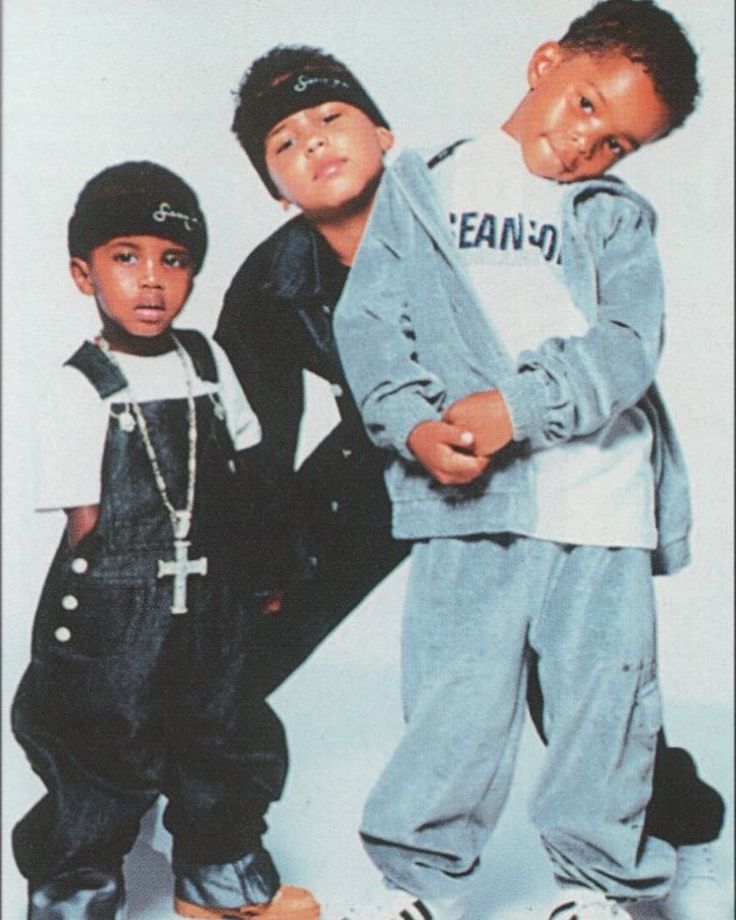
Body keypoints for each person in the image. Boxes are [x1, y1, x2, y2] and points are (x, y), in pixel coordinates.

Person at [216, 37, 725, 920]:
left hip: (555, 469)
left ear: (381, 129)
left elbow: (624, 343)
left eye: (333, 119)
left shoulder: (562, 201)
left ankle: (657, 839)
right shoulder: (277, 277)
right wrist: (263, 557)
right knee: (424, 686)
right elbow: (262, 437)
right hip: (403, 466)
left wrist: (512, 410)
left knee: (590, 694)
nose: (316, 146)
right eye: (285, 143)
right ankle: (208, 844)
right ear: (270, 181)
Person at [11, 161, 320, 920]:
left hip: (212, 594)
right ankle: (75, 890)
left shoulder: (208, 366)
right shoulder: (79, 384)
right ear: (84, 273)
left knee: (222, 728)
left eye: (172, 260)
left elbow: (246, 474)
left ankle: (217, 876)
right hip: (117, 605)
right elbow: (86, 522)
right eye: (127, 257)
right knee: (103, 743)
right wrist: (123, 613)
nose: (151, 281)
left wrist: (262, 568)